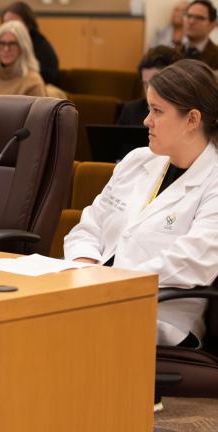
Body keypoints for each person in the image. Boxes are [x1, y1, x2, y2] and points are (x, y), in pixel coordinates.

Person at [64, 59, 218, 348]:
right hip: (95, 293)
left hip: (161, 314)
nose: (146, 120)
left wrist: (113, 283)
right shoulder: (138, 160)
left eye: (157, 111)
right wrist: (84, 266)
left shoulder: (214, 179)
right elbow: (88, 227)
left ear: (192, 120)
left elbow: (194, 261)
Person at [0, 1, 58, 87]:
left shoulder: (41, 47)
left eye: (16, 24)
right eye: (6, 24)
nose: (6, 48)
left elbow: (49, 77)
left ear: (28, 24)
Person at [0, 21, 46, 97]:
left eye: (12, 44)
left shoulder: (33, 82)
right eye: (1, 43)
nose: (6, 49)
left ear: (23, 47)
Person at [117, 46, 181, 126]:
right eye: (146, 84)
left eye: (155, 83)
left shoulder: (185, 112)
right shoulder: (131, 111)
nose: (148, 91)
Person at [180, 0, 218, 69]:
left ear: (212, 25)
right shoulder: (174, 51)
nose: (191, 21)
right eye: (189, 16)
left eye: (199, 18)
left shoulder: (216, 56)